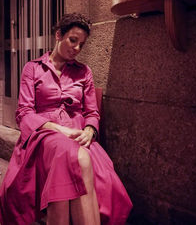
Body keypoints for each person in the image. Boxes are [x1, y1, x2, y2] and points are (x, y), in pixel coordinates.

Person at [0, 13, 133, 225]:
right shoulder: (32, 68)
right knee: (76, 157)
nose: (77, 49)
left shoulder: (84, 72)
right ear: (58, 35)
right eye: (73, 40)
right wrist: (57, 129)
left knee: (82, 161)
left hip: (78, 132)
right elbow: (24, 113)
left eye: (82, 44)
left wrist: (90, 130)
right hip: (43, 133)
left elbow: (92, 112)